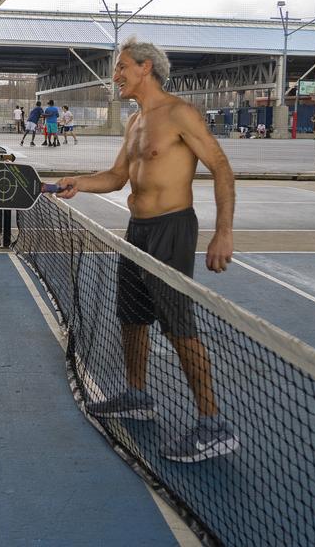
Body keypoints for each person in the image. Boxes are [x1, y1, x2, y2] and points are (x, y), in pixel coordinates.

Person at [57, 37, 238, 463]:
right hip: (137, 230)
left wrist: (223, 232)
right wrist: (79, 183)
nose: (115, 75)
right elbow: (118, 176)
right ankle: (137, 395)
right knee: (132, 317)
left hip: (172, 229)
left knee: (178, 325)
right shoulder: (135, 121)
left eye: (121, 67)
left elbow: (221, 167)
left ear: (145, 68)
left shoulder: (179, 114)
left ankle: (213, 425)